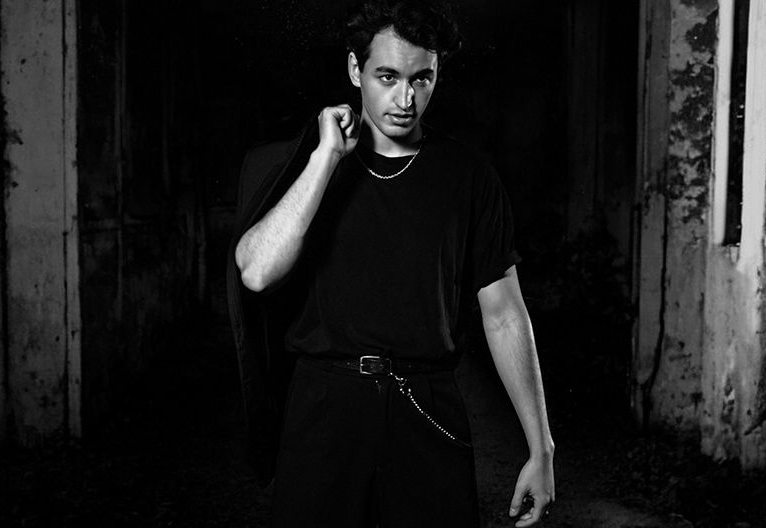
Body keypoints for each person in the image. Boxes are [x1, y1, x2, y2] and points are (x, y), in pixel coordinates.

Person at [227, 0, 555, 525]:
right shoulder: (304, 165)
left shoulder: (468, 176)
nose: (406, 99)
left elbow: (504, 314)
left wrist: (542, 449)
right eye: (388, 77)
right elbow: (258, 271)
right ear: (355, 70)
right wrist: (325, 159)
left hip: (426, 403)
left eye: (422, 79)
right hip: (325, 404)